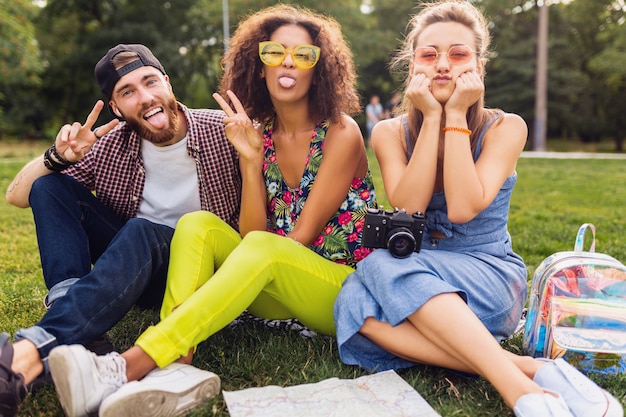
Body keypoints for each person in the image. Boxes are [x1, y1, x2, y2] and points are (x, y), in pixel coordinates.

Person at [47, 5, 377, 417]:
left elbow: (300, 239)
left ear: (319, 69)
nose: (288, 62)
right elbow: (249, 235)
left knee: (265, 248)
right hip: (276, 286)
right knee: (197, 224)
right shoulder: (259, 134)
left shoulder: (342, 132)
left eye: (304, 55)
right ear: (259, 66)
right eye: (275, 52)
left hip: (338, 289)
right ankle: (178, 367)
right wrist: (251, 163)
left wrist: (233, 274)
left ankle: (129, 365)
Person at [333, 2, 623, 417]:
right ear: (412, 65)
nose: (443, 66)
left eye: (458, 54)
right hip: (418, 273)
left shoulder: (507, 127)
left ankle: (517, 391)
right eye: (429, 55)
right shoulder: (388, 132)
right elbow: (409, 206)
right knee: (351, 305)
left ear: (479, 68)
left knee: (379, 267)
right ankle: (533, 372)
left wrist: (453, 114)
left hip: (487, 276)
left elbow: (464, 208)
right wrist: (430, 119)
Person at [0, 44, 242, 417]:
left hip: (201, 273)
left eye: (149, 82)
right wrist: (58, 157)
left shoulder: (221, 130)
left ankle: (29, 354)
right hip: (135, 269)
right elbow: (17, 195)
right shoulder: (111, 144)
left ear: (167, 81)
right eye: (127, 92)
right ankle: (81, 329)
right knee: (49, 186)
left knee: (143, 230)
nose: (144, 98)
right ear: (116, 108)